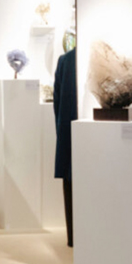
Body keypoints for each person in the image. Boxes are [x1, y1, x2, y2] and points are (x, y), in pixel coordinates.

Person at [52, 47, 77, 247]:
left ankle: (73, 236)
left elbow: (57, 100)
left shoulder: (66, 60)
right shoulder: (66, 60)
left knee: (71, 180)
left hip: (69, 131)